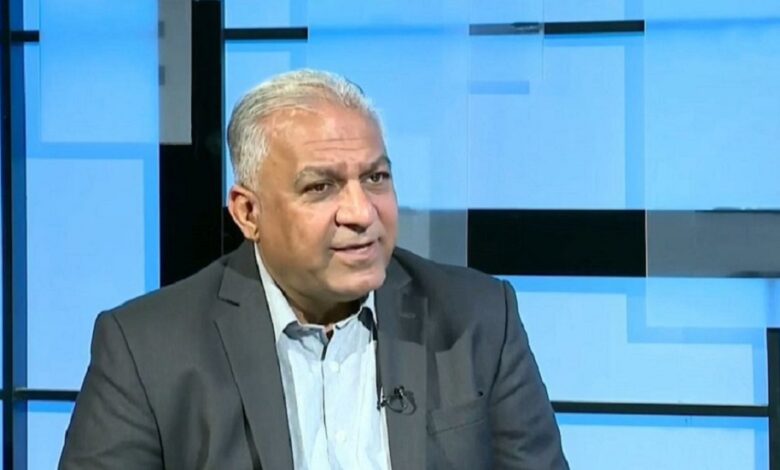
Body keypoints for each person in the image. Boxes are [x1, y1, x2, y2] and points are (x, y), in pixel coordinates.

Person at [59, 69, 568, 469]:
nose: (361, 213)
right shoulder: (146, 348)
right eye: (320, 187)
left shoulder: (480, 318)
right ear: (248, 213)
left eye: (376, 178)